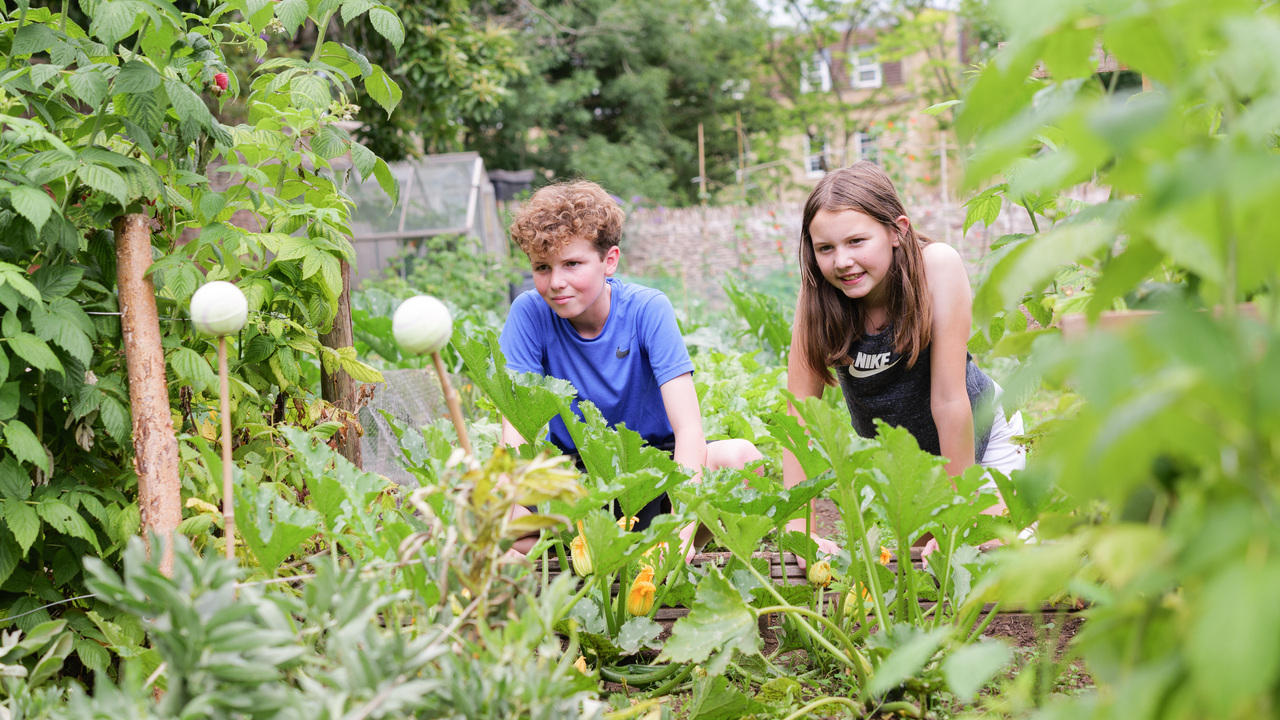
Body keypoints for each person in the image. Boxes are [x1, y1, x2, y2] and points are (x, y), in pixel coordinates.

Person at [499, 180, 762, 554]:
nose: (556, 282)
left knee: (742, 459)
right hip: (578, 482)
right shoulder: (529, 313)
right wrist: (509, 508)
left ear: (609, 260)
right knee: (489, 517)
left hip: (656, 469)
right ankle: (584, 547)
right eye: (542, 267)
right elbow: (516, 435)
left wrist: (682, 529)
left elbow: (689, 430)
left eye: (572, 264)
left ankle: (684, 549)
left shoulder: (647, 309)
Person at [781, 162, 1026, 558]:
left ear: (897, 230)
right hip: (909, 467)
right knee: (909, 576)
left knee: (987, 555)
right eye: (825, 248)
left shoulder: (936, 268)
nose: (841, 261)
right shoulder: (818, 300)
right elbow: (798, 416)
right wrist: (799, 527)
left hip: (979, 437)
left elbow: (949, 401)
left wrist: (954, 519)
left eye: (856, 241)